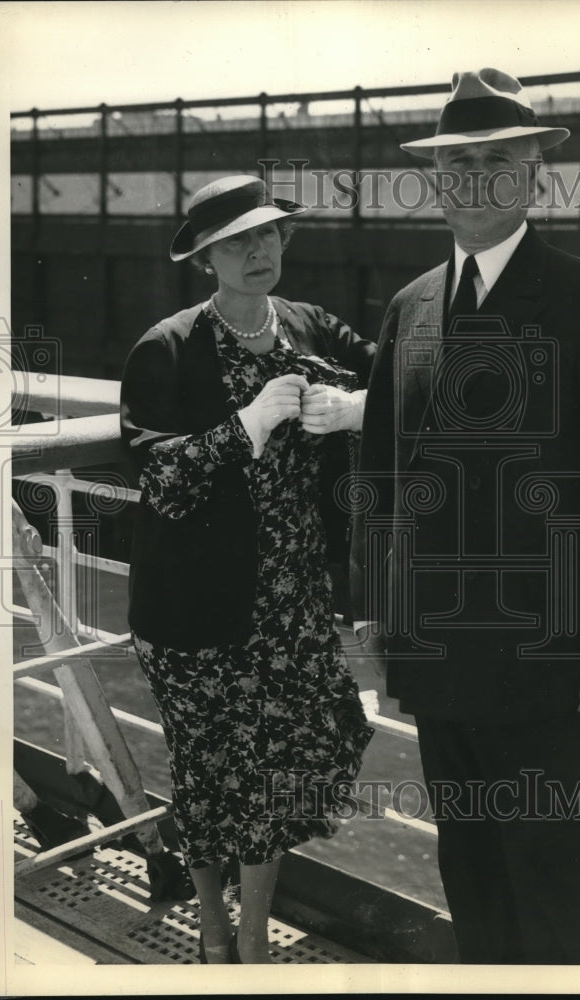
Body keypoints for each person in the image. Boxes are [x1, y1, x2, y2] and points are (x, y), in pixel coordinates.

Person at [350, 68, 580, 964]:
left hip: (548, 662)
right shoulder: (409, 305)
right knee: (472, 871)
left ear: (532, 174)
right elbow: (377, 476)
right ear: (437, 178)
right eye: (456, 163)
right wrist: (371, 616)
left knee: (552, 880)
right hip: (436, 650)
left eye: (495, 160)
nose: (472, 178)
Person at [120, 174, 375, 964]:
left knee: (293, 762)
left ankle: (257, 926)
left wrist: (359, 405)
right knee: (210, 774)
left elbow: (405, 375)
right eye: (238, 241)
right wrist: (246, 424)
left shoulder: (310, 326)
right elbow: (159, 480)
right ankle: (212, 922)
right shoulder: (166, 347)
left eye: (268, 235)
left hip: (293, 601)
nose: (259, 251)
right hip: (196, 607)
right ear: (205, 256)